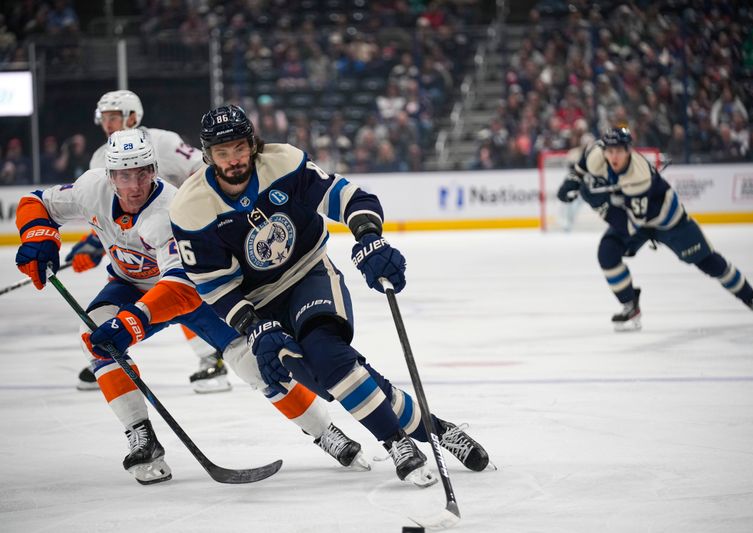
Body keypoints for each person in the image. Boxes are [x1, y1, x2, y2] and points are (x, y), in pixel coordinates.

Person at [14, 128, 368, 484]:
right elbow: (37, 202)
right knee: (93, 334)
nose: (134, 185)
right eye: (124, 175)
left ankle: (326, 433)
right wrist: (38, 235)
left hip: (196, 292)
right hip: (129, 286)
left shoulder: (169, 211)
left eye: (142, 173)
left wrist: (132, 323)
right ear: (110, 176)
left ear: (154, 169)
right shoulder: (91, 188)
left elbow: (181, 287)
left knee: (252, 363)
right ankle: (142, 437)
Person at [170, 105, 491, 486]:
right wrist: (252, 327)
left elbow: (350, 198)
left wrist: (370, 238)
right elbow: (213, 285)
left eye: (239, 148)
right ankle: (438, 428)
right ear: (207, 155)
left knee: (327, 354)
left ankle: (397, 443)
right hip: (260, 304)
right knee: (335, 379)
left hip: (309, 273)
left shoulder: (283, 163)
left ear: (252, 144)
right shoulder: (190, 208)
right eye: (222, 153)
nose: (233, 159)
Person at [69, 89, 229, 393]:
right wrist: (92, 244)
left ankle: (212, 358)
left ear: (132, 116)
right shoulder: (101, 158)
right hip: (141, 243)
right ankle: (112, 356)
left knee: (180, 292)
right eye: (104, 118)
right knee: (134, 290)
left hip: (182, 231)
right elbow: (108, 212)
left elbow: (204, 170)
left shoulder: (162, 141)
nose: (108, 124)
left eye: (114, 117)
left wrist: (201, 212)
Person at [557, 127, 753, 331]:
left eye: (619, 151)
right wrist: (571, 182)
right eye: (610, 151)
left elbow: (630, 226)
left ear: (629, 150)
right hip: (634, 215)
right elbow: (579, 171)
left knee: (708, 262)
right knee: (607, 252)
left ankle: (752, 300)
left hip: (668, 220)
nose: (613, 156)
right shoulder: (596, 153)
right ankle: (630, 305)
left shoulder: (639, 176)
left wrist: (595, 200)